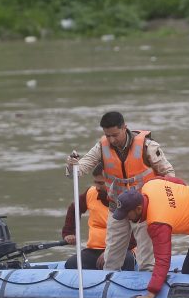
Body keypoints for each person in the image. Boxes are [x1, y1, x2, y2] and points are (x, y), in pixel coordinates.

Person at [66, 111, 175, 273]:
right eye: (107, 135)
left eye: (115, 135)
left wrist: (165, 201)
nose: (111, 140)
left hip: (144, 209)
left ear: (125, 128)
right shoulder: (101, 147)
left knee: (146, 256)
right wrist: (72, 165)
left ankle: (149, 287)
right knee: (111, 256)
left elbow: (169, 173)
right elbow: (78, 171)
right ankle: (109, 285)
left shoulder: (147, 146)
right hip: (118, 208)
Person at [61, 164, 136, 271]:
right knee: (71, 264)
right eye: (95, 182)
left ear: (112, 182)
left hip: (122, 250)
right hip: (94, 250)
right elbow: (74, 209)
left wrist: (110, 252)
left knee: (128, 260)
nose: (97, 187)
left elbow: (134, 236)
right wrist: (69, 233)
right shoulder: (90, 193)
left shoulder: (128, 197)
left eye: (101, 183)